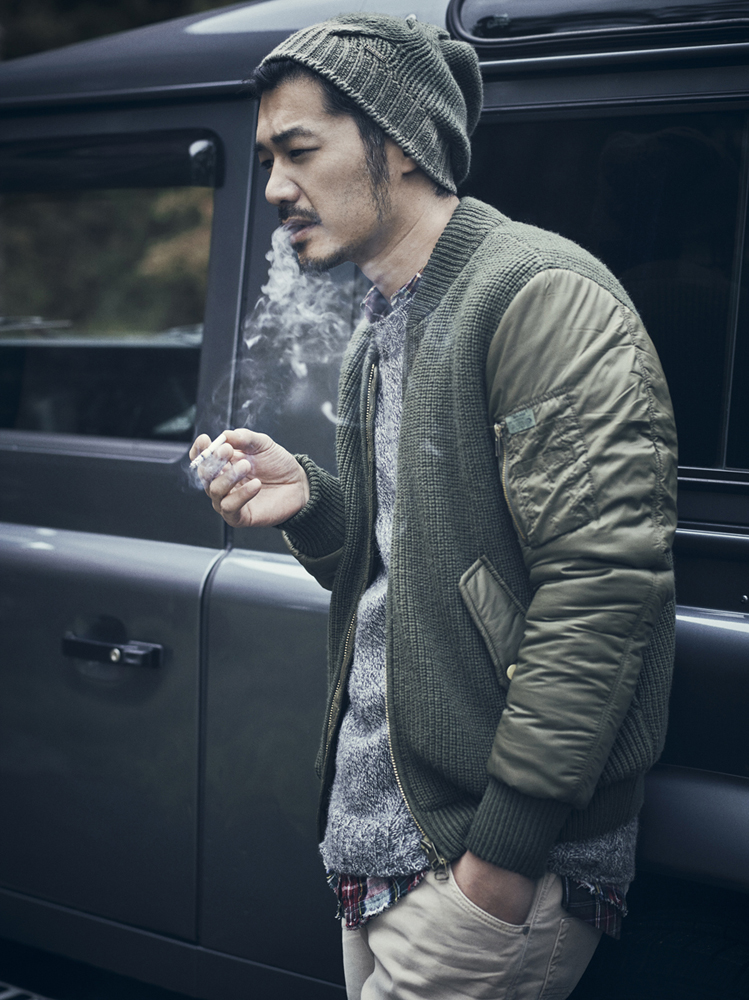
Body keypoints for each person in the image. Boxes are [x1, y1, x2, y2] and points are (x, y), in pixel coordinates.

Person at [191, 13, 678, 999]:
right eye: (268, 158)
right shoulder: (385, 328)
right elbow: (419, 570)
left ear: (401, 141)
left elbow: (599, 591)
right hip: (383, 852)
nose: (275, 187)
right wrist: (311, 502)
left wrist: (499, 861)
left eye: (298, 151)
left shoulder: (537, 295)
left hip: (487, 868)